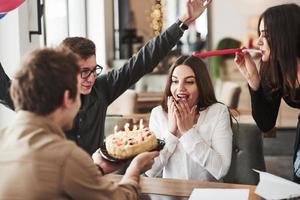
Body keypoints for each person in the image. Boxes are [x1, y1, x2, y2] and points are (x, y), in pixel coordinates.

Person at [0, 0, 212, 156]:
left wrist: (182, 22)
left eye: (94, 70)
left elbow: (143, 60)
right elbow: (3, 88)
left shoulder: (101, 89)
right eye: (84, 71)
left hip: (96, 181)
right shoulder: (43, 100)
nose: (91, 78)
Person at [0, 48, 159, 199]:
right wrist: (134, 170)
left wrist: (98, 169)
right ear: (67, 98)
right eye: (78, 94)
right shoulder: (66, 156)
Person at [234, 3, 300, 183]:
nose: (259, 42)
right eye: (259, 34)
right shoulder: (275, 69)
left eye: (266, 35)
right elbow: (265, 123)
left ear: (285, 35)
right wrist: (254, 81)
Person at [145, 55, 233, 181]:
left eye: (189, 82)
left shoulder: (218, 112)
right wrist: (171, 132)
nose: (180, 88)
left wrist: (188, 132)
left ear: (201, 85)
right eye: (175, 81)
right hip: (171, 195)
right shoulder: (158, 114)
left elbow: (221, 170)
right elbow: (150, 170)